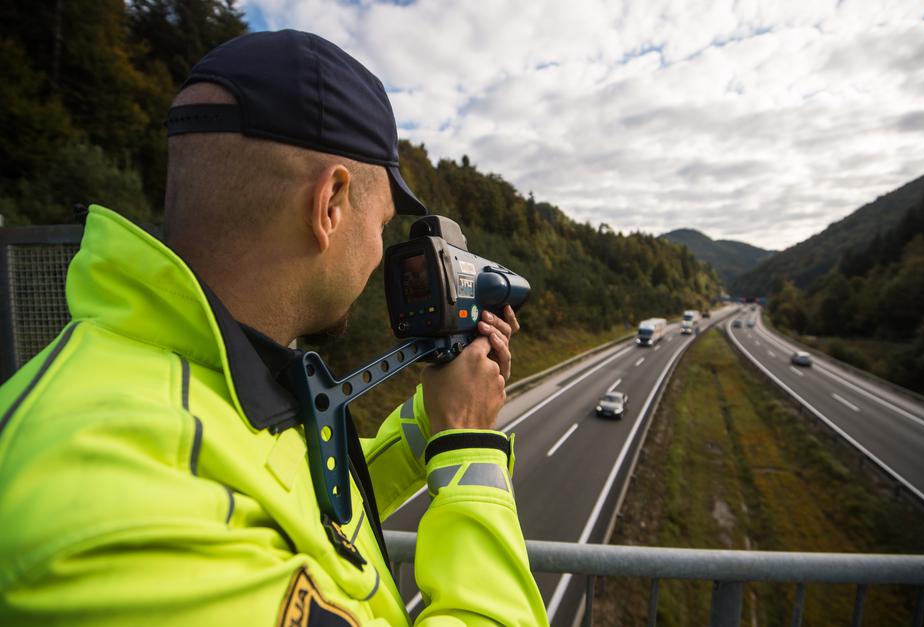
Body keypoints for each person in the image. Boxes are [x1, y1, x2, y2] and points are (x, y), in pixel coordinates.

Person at [0, 30, 547, 626]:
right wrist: (468, 450)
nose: (376, 255)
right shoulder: (131, 518)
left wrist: (432, 420)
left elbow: (308, 501)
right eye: (382, 225)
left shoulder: (200, 380)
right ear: (330, 203)